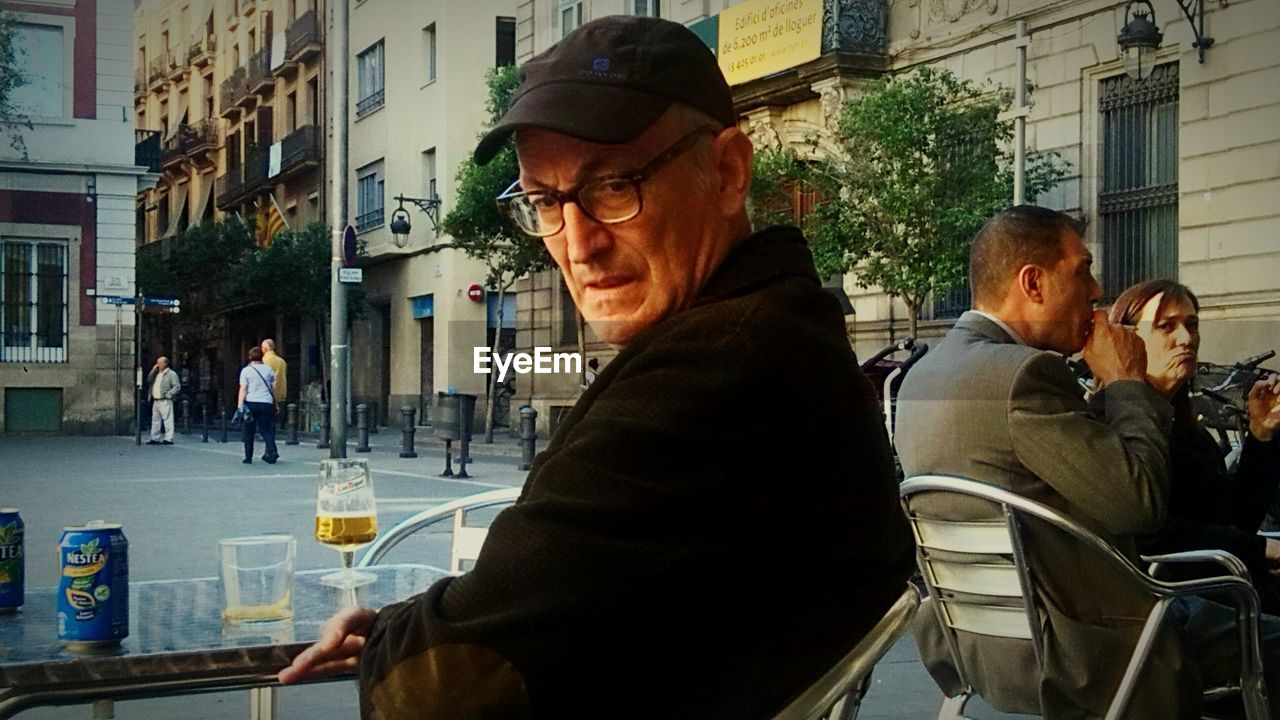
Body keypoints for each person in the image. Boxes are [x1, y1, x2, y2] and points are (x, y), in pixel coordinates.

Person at [279, 15, 914, 719]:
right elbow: (566, 595)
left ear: (728, 171)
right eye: (544, 201)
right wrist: (411, 626)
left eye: (614, 185)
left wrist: (403, 638)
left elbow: (436, 693)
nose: (578, 243)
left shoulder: (717, 375)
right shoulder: (774, 333)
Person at [895, 205, 1280, 719]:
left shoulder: (923, 376)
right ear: (1032, 283)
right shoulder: (1024, 373)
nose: (1096, 289)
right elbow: (1138, 506)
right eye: (1082, 270)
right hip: (1088, 651)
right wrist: (1125, 381)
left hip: (977, 649)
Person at [1109, 279, 1280, 612]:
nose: (1186, 339)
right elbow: (1151, 534)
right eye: (1165, 326)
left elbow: (1235, 517)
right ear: (1127, 339)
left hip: (1229, 586)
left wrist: (1260, 433)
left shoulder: (1186, 426)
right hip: (1183, 605)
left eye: (1192, 325)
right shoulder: (1116, 421)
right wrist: (1257, 549)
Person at [237, 346, 278, 465]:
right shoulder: (269, 370)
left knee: (249, 431)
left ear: (250, 357)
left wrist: (240, 405)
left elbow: (243, 389)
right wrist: (275, 403)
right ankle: (272, 451)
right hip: (266, 402)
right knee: (266, 429)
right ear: (262, 357)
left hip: (251, 403)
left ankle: (248, 457)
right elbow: (273, 388)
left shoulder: (246, 371)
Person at [145, 356, 181, 445]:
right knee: (155, 419)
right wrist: (153, 370)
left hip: (165, 399)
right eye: (157, 363)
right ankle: (155, 438)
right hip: (156, 400)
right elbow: (149, 380)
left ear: (165, 363)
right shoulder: (156, 373)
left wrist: (169, 394)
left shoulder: (171, 374)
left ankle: (168, 438)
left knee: (167, 419)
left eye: (160, 363)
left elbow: (177, 386)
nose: (158, 365)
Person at [261, 338, 287, 410]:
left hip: (266, 396)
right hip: (281, 395)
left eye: (262, 348)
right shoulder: (282, 362)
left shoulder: (263, 361)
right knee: (279, 419)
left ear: (265, 349)